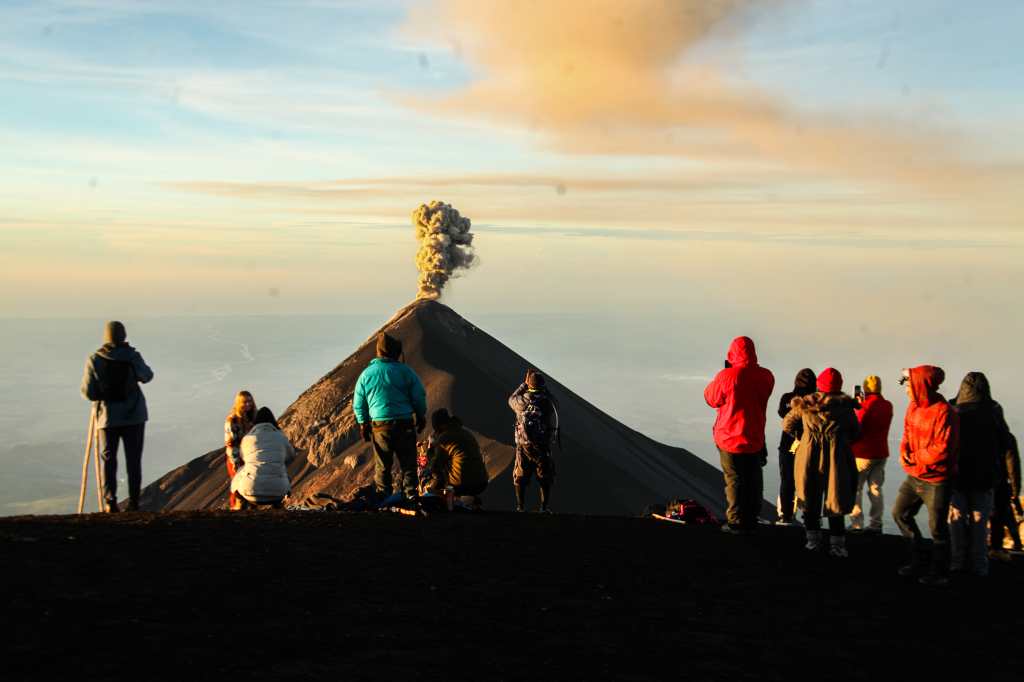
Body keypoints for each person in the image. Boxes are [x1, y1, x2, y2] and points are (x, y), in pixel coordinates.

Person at [891, 365, 959, 586]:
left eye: (909, 384)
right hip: (914, 476)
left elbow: (943, 449)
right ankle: (917, 558)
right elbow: (907, 433)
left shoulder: (944, 412)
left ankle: (939, 572)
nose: (906, 389)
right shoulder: (913, 407)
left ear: (921, 385)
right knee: (900, 513)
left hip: (937, 480)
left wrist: (915, 458)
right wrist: (904, 453)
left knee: (937, 528)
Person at [782, 368, 859, 557]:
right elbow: (856, 432)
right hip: (837, 457)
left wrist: (803, 437)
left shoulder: (805, 404)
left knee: (809, 497)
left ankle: (812, 541)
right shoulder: (846, 407)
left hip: (808, 455)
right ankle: (837, 545)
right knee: (835, 499)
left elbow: (787, 424)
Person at [80, 321, 154, 513]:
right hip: (134, 416)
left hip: (108, 418)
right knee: (134, 460)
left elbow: (88, 392)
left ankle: (110, 502)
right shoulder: (132, 356)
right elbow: (147, 376)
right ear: (123, 335)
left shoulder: (95, 359)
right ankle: (134, 503)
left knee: (109, 460)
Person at [704, 336, 775, 534]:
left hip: (729, 437)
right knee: (753, 478)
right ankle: (752, 517)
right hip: (754, 436)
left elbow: (711, 398)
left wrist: (725, 374)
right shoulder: (766, 376)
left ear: (731, 354)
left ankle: (735, 521)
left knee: (734, 479)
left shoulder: (727, 376)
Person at [948, 372, 1011, 577]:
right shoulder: (994, 410)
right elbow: (1006, 443)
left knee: (956, 520)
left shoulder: (953, 409)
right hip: (985, 476)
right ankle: (979, 565)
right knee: (980, 522)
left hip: (957, 475)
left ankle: (957, 562)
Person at [353, 333, 427, 500]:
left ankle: (383, 496)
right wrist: (420, 416)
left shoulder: (366, 375)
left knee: (383, 465)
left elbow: (359, 403)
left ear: (379, 352)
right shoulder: (406, 372)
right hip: (404, 424)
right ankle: (411, 495)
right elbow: (419, 397)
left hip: (380, 427)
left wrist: (363, 424)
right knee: (408, 463)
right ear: (395, 352)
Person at [508, 369, 559, 512]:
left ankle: (520, 507)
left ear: (529, 385)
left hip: (523, 446)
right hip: (542, 447)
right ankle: (543, 507)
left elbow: (510, 399)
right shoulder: (548, 403)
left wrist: (523, 385)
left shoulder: (520, 402)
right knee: (545, 476)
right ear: (542, 385)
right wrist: (544, 389)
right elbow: (556, 404)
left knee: (520, 475)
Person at [848, 375, 894, 534]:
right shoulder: (888, 405)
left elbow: (857, 426)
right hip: (881, 453)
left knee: (856, 489)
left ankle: (856, 524)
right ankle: (876, 523)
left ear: (865, 389)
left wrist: (857, 407)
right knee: (876, 488)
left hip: (862, 454)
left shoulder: (865, 406)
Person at [230, 407, 295, 509]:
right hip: (278, 493)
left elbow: (243, 458)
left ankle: (240, 505)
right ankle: (278, 506)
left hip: (250, 492)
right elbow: (291, 456)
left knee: (240, 472)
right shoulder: (280, 437)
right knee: (283, 473)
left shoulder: (247, 439)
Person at [776, 368, 817, 525]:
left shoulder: (787, 397)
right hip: (809, 445)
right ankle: (810, 517)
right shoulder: (817, 400)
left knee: (787, 480)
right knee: (809, 482)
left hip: (787, 444)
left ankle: (786, 516)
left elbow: (781, 413)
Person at [424, 408, 489, 503]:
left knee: (439, 474)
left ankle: (446, 499)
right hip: (481, 482)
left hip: (462, 484)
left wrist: (430, 450)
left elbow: (435, 467)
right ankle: (468, 499)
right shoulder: (466, 433)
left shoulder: (445, 438)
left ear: (439, 426)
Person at [990, 432, 1022, 556]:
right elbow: (1013, 466)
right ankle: (997, 548)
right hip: (999, 483)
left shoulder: (970, 430)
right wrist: (1015, 492)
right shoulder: (1006, 437)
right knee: (1001, 514)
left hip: (972, 482)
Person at [224, 390, 256, 511]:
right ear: (239, 403)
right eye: (245, 402)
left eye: (250, 401)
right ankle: (236, 510)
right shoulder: (232, 421)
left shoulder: (253, 419)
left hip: (250, 457)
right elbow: (231, 443)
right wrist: (236, 462)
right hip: (237, 457)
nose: (248, 404)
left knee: (250, 484)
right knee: (238, 484)